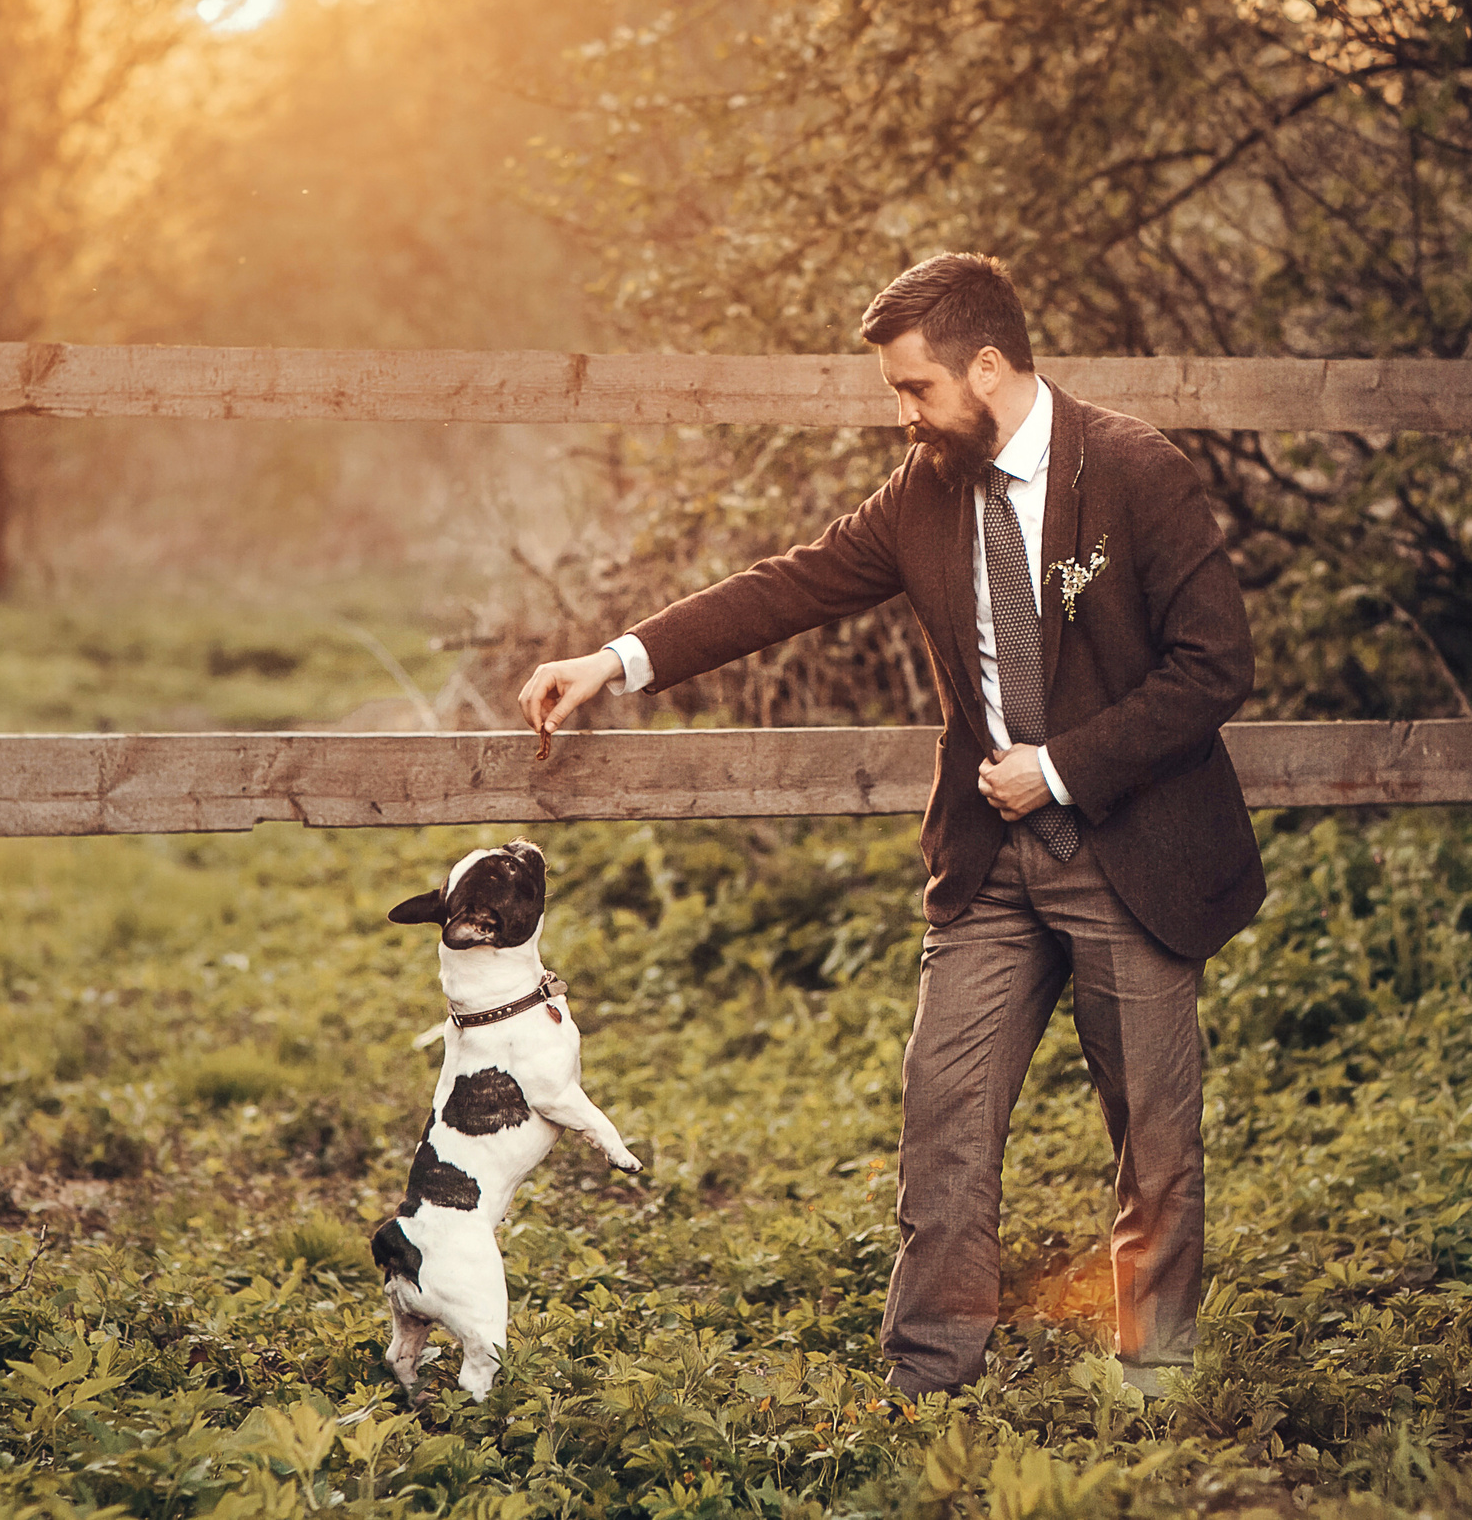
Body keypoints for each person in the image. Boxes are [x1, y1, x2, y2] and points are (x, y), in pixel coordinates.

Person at [517, 253, 1265, 1398]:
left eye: (914, 389)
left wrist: (1061, 770)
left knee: (1153, 1140)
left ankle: (1154, 1374)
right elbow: (789, 585)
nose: (901, 413)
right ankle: (925, 1383)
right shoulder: (925, 490)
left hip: (1132, 855)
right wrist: (613, 660)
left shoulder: (1131, 471)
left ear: (986, 366)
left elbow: (1216, 666)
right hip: (991, 869)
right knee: (943, 1118)